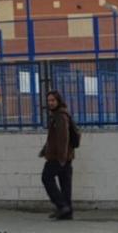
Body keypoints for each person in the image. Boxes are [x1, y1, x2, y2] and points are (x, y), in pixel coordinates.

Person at [40, 91, 74, 220]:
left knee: (46, 177)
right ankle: (67, 211)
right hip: (65, 155)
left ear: (58, 101)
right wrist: (45, 149)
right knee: (65, 183)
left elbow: (63, 137)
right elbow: (53, 137)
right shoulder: (59, 114)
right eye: (49, 100)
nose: (50, 103)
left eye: (53, 100)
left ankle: (62, 206)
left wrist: (61, 157)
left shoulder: (60, 116)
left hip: (58, 156)